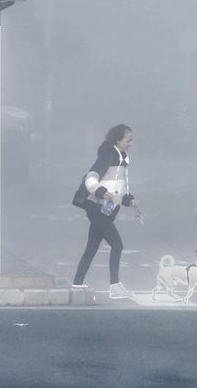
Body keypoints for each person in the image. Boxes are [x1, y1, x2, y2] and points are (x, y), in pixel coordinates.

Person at [72, 124, 140, 297]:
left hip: (106, 210)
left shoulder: (122, 159)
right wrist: (100, 191)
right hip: (96, 207)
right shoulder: (107, 155)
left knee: (91, 248)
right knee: (117, 245)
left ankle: (77, 284)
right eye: (128, 140)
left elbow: (117, 187)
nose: (131, 144)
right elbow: (91, 177)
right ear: (117, 140)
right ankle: (115, 286)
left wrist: (129, 200)